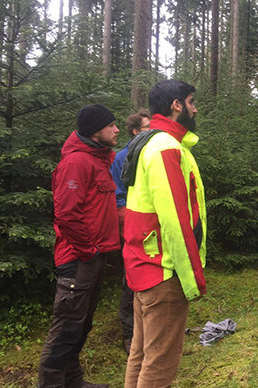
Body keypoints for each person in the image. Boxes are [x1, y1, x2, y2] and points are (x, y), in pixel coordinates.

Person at [122, 80, 207, 387]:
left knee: (141, 354)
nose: (194, 109)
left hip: (144, 265)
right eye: (191, 102)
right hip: (165, 272)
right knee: (159, 366)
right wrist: (191, 277)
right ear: (176, 105)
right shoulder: (166, 147)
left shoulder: (149, 142)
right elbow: (175, 220)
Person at [38, 104, 120, 388]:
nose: (116, 129)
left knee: (80, 325)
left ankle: (73, 383)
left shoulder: (99, 159)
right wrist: (89, 251)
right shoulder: (77, 163)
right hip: (78, 258)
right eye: (111, 125)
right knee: (66, 328)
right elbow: (67, 215)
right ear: (97, 130)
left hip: (94, 256)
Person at [109, 109, 151, 355]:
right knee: (131, 278)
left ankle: (149, 327)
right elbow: (117, 196)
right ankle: (129, 334)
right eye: (147, 127)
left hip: (151, 227)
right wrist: (130, 221)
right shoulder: (122, 157)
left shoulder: (153, 153)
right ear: (136, 131)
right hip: (131, 224)